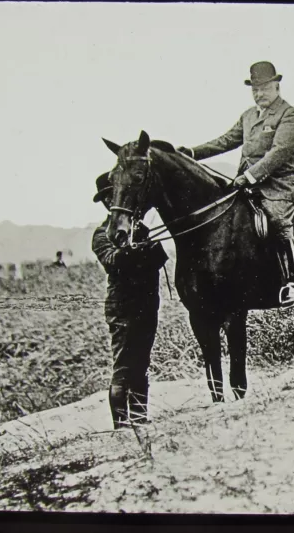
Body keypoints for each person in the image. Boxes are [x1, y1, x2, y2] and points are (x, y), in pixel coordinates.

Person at [177, 61, 294, 308]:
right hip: (247, 185)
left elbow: (279, 152)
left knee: (277, 221)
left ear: (276, 86)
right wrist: (191, 152)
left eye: (264, 88)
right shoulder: (248, 116)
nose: (259, 94)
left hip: (279, 185)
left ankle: (291, 283)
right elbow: (225, 141)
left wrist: (250, 176)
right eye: (255, 89)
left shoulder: (289, 114)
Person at [91, 172, 169, 429]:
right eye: (108, 196)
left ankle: (139, 419)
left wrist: (139, 252)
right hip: (122, 308)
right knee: (124, 365)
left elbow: (159, 257)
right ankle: (122, 427)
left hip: (147, 305)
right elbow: (113, 262)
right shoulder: (101, 234)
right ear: (106, 201)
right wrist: (136, 253)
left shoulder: (141, 229)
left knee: (141, 365)